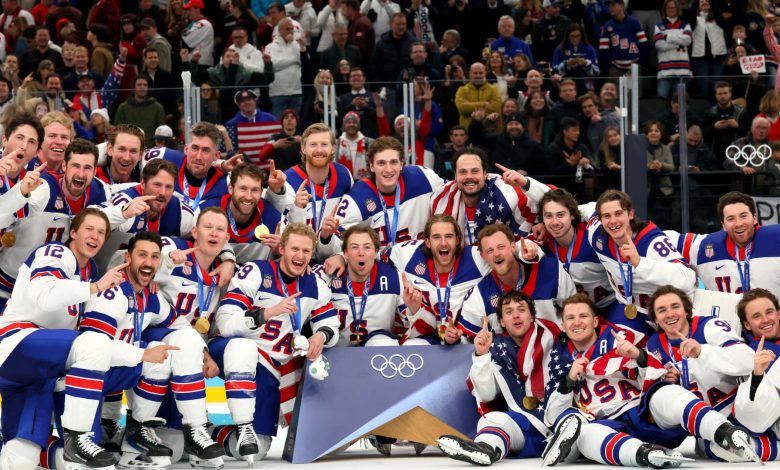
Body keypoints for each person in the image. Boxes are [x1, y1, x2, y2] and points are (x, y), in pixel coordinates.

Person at [541, 293, 760, 467]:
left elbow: (655, 376)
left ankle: (724, 431)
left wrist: (639, 356)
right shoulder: (559, 360)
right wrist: (569, 380)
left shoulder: (620, 338)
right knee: (585, 434)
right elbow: (552, 415)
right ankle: (645, 455)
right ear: (562, 325)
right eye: (570, 318)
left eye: (583, 316)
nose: (577, 322)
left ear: (595, 320)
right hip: (607, 422)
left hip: (642, 411)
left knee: (664, 392)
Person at [0, 208, 120, 470]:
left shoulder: (90, 273)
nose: (95, 236)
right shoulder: (56, 252)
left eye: (101, 232)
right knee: (93, 345)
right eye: (89, 229)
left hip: (40, 373)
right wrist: (95, 288)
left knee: (22, 460)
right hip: (17, 344)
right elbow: (46, 294)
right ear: (73, 232)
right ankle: (76, 438)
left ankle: (65, 451)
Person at [211, 223, 339, 464]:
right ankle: (244, 426)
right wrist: (266, 314)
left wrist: (319, 336)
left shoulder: (315, 284)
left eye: (306, 251)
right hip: (235, 351)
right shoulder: (256, 271)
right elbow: (225, 322)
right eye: (294, 249)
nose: (300, 256)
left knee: (257, 449)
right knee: (244, 347)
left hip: (271, 368)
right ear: (281, 248)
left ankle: (206, 434)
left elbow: (331, 325)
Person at [147, 207, 235, 467]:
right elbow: (141, 263)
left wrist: (229, 260)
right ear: (194, 231)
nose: (214, 233)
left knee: (173, 450)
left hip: (190, 348)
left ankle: (198, 429)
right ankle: (186, 427)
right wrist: (164, 264)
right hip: (157, 336)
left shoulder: (224, 272)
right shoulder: (174, 250)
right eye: (208, 227)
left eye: (220, 229)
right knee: (186, 342)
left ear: (227, 238)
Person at [438, 291, 562, 465]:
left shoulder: (555, 336)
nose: (516, 315)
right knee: (491, 420)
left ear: (532, 316)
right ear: (502, 321)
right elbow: (487, 394)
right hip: (526, 429)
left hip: (560, 424)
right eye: (509, 312)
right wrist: (481, 355)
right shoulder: (496, 348)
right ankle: (486, 451)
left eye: (521, 309)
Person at [0, 139, 109, 312]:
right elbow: (4, 212)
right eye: (75, 166)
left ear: (95, 171)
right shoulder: (44, 187)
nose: (81, 173)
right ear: (64, 166)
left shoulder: (99, 192)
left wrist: (125, 212)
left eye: (87, 168)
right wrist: (21, 193)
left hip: (50, 288)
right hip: (8, 284)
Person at [381, 214, 503, 344]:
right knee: (411, 346)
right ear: (427, 242)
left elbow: (507, 252)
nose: (443, 243)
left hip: (464, 338)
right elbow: (377, 257)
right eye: (436, 237)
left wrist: (522, 253)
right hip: (426, 336)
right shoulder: (410, 254)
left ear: (457, 240)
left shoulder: (475, 258)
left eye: (449, 236)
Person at [586, 189, 697, 330]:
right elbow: (587, 209)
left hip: (668, 314)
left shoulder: (652, 243)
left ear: (630, 214)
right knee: (616, 347)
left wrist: (640, 262)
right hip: (632, 311)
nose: (613, 221)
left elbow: (687, 278)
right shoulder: (596, 235)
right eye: (606, 216)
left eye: (619, 214)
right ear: (600, 220)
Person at [646, 285, 754, 419]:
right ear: (655, 319)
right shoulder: (653, 345)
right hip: (693, 420)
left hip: (733, 408)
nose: (670, 314)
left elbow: (749, 360)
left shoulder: (710, 326)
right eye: (662, 310)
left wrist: (702, 352)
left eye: (675, 306)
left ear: (686, 310)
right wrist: (668, 381)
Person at [325, 136, 443, 252]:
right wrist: (340, 255)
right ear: (371, 166)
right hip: (378, 267)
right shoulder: (357, 199)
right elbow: (333, 246)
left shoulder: (423, 178)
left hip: (419, 262)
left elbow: (450, 194)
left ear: (401, 164)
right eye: (381, 163)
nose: (388, 169)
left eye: (393, 162)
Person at [459, 223, 574, 338]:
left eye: (501, 247)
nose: (497, 254)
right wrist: (454, 340)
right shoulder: (479, 295)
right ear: (483, 256)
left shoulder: (551, 271)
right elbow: (465, 341)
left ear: (513, 246)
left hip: (554, 350)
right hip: (509, 354)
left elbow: (575, 313)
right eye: (490, 251)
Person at [264, 123, 353, 262]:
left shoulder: (344, 175)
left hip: (333, 256)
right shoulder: (287, 181)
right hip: (298, 260)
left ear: (333, 148)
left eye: (324, 144)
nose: (319, 150)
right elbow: (278, 223)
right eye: (313, 145)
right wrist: (276, 191)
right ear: (303, 148)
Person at [669, 191, 780, 298]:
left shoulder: (776, 237)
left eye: (743, 216)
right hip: (727, 317)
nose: (738, 223)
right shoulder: (704, 246)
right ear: (723, 225)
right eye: (731, 219)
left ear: (754, 218)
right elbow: (661, 239)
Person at [430, 147, 548, 246]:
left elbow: (554, 197)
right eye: (463, 172)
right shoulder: (441, 197)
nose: (469, 177)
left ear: (485, 173)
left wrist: (525, 182)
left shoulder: (506, 191)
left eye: (475, 171)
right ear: (455, 175)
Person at [324, 225, 415, 346]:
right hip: (335, 353)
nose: (361, 253)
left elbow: (411, 325)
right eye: (354, 247)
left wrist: (414, 309)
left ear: (376, 252)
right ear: (345, 254)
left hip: (377, 355)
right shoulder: (327, 275)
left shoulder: (393, 276)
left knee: (383, 343)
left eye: (367, 247)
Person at [200, 162, 283, 264]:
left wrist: (278, 254)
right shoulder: (206, 212)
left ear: (261, 192)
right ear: (231, 189)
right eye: (243, 189)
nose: (248, 196)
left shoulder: (274, 219)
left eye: (254, 190)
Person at [732, 288, 780, 460]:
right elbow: (753, 415)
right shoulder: (747, 355)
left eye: (769, 312)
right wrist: (758, 374)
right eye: (756, 316)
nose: (766, 320)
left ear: (778, 313)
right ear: (746, 325)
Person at [597, 0, 648, 76]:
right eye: (609, 5)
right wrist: (610, 67)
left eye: (613, 5)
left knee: (636, 88)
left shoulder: (634, 21)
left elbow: (644, 43)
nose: (610, 8)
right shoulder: (607, 26)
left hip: (634, 67)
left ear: (622, 6)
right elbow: (603, 50)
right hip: (616, 69)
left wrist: (640, 63)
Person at [336, 111, 374, 180]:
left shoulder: (369, 142)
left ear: (359, 125)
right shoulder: (336, 143)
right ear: (344, 125)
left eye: (354, 122)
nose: (351, 124)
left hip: (365, 182)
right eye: (348, 122)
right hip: (342, 182)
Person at [181, 0, 215, 66]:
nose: (187, 12)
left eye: (190, 10)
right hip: (196, 62)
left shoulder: (203, 23)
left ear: (197, 9)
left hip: (201, 64)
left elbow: (184, 41)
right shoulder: (195, 22)